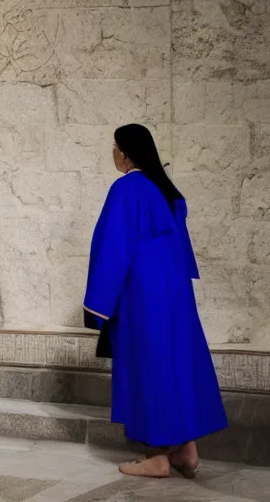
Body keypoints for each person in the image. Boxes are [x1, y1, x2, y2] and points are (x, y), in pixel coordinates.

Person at [83, 124, 228, 479]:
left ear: (125, 152)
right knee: (176, 363)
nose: (113, 154)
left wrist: (97, 304)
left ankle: (157, 455)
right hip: (175, 293)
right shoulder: (166, 191)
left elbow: (114, 249)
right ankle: (187, 451)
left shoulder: (127, 188)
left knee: (150, 367)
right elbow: (180, 251)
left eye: (114, 147)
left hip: (142, 294)